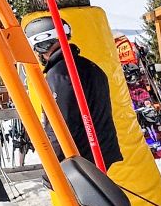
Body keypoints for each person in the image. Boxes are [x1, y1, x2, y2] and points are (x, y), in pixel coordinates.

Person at [22, 16, 123, 168]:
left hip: (80, 161)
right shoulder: (87, 66)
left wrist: (53, 167)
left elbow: (61, 126)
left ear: (42, 44)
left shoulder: (60, 74)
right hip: (98, 154)